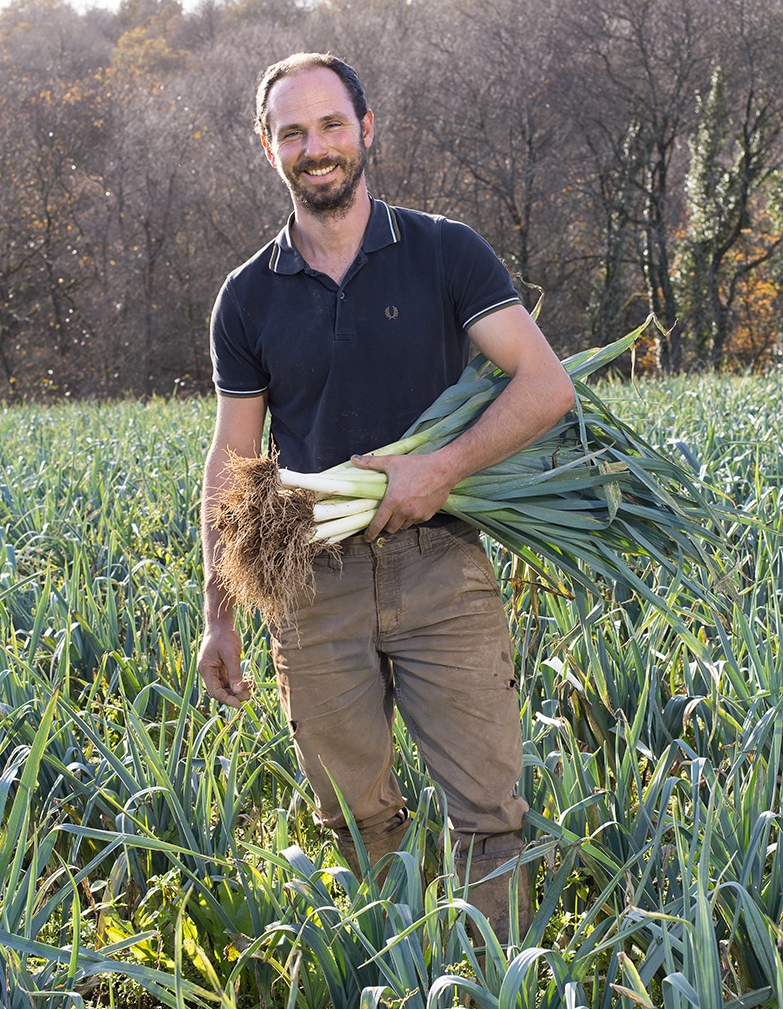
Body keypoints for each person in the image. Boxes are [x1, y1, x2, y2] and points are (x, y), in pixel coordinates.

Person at [197, 52, 574, 942]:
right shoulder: (247, 298)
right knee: (353, 820)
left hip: (439, 566)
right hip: (307, 581)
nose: (315, 146)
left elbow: (545, 386)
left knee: (489, 815)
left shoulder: (444, 252)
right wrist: (218, 610)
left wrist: (437, 468)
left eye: (331, 125)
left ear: (366, 130)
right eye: (293, 132)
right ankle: (395, 1001)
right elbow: (230, 461)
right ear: (268, 148)